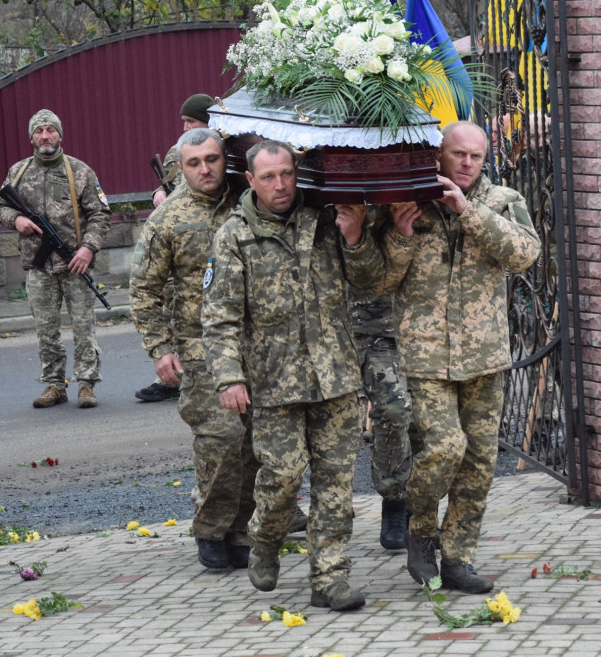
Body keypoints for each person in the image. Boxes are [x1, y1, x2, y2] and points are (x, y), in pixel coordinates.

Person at [202, 140, 380, 612]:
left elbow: (371, 281)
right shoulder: (234, 235)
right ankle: (264, 538)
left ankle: (330, 578)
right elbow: (219, 317)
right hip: (273, 381)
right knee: (281, 477)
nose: (280, 185)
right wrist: (228, 378)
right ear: (250, 180)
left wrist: (356, 237)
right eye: (268, 177)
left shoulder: (325, 216)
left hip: (335, 375)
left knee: (335, 484)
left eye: (286, 173)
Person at [380, 120, 541, 593]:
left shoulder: (502, 201)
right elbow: (377, 281)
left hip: (484, 356)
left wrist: (469, 211)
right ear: (439, 156)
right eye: (458, 154)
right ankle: (420, 531)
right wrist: (399, 235)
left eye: (475, 155)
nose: (467, 163)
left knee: (477, 462)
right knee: (444, 448)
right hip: (426, 357)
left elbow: (525, 255)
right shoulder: (409, 203)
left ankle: (457, 559)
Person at [129, 128, 259, 570]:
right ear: (181, 168)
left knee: (253, 443)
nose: (205, 169)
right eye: (194, 163)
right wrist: (159, 349)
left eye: (212, 159)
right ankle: (210, 528)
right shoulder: (167, 220)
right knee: (221, 437)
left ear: (225, 159)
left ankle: (241, 530)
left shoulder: (250, 202)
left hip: (254, 343)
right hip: (199, 346)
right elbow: (143, 289)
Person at [0, 109, 111, 409]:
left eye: (50, 130)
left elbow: (100, 214)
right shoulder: (18, 172)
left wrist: (88, 248)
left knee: (84, 327)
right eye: (39, 131)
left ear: (60, 134)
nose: (45, 136)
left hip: (75, 263)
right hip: (38, 265)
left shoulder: (80, 171)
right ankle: (54, 384)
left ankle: (86, 384)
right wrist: (16, 219)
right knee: (46, 330)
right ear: (31, 136)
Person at [136, 93, 216, 404]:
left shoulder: (223, 150)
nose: (185, 127)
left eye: (191, 121)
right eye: (183, 121)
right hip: (179, 240)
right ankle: (172, 375)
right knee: (175, 309)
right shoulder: (177, 151)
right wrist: (159, 192)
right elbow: (171, 183)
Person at [348, 219, 412, 551]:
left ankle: (396, 502)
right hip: (334, 325)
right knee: (335, 425)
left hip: (387, 326)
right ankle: (329, 509)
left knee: (396, 409)